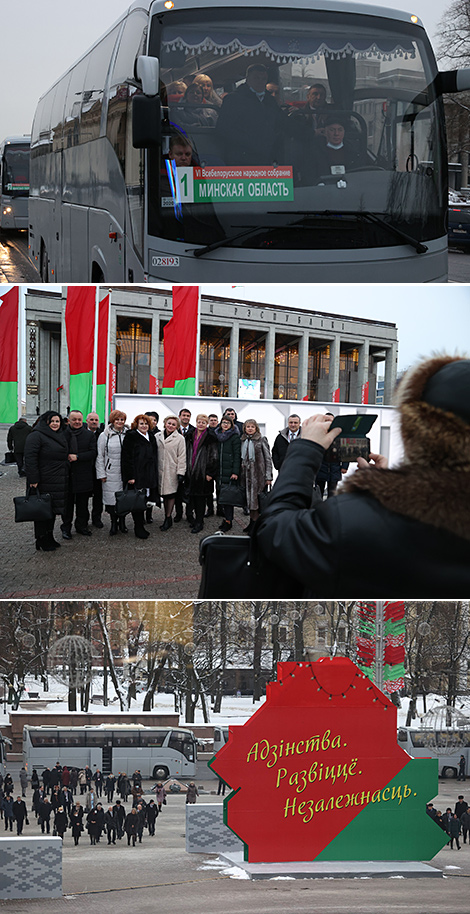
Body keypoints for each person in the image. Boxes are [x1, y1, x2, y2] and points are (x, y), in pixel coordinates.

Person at [255, 355, 470, 597]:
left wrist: (305, 450)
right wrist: (385, 488)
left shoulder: (351, 521)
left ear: (416, 430)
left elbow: (275, 531)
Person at [217, 63, 283, 165]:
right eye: (256, 78)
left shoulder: (269, 101)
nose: (260, 81)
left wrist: (311, 132)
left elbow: (282, 121)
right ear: (247, 79)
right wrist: (250, 142)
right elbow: (223, 128)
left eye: (263, 79)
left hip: (266, 157)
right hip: (240, 158)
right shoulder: (234, 99)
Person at [24, 410, 69, 551]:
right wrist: (33, 479)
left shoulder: (59, 435)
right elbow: (30, 459)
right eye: (52, 421)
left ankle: (49, 537)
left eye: (57, 421)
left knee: (51, 511)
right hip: (42, 480)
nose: (55, 424)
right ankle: (41, 539)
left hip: (57, 480)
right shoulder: (36, 435)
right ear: (46, 422)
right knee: (41, 511)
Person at [121, 414, 159, 539]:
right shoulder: (131, 436)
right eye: (141, 423)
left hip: (149, 474)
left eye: (146, 424)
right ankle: (138, 527)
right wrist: (130, 476)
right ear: (136, 425)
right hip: (137, 474)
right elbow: (126, 458)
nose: (144, 426)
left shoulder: (151, 436)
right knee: (137, 500)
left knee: (146, 499)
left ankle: (142, 523)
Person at [61, 409, 97, 538]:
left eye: (79, 420)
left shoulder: (89, 435)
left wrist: (78, 457)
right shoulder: (62, 434)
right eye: (74, 419)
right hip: (67, 476)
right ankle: (66, 528)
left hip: (83, 475)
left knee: (83, 505)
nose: (77, 422)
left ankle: (81, 526)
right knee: (67, 505)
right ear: (68, 420)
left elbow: (93, 453)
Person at [95, 409, 129, 536]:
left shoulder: (128, 434)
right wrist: (101, 474)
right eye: (117, 419)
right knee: (111, 500)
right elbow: (100, 456)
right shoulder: (104, 435)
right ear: (112, 421)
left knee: (124, 499)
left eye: (122, 420)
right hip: (110, 473)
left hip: (124, 473)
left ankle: (122, 523)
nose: (120, 422)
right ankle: (114, 523)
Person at [185, 414, 219, 534]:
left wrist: (210, 472)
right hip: (190, 471)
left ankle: (200, 522)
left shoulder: (211, 436)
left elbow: (214, 456)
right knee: (192, 497)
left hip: (203, 473)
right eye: (199, 422)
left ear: (207, 424)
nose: (201, 424)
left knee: (200, 498)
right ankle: (193, 518)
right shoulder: (190, 435)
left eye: (203, 422)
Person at [240, 419, 273, 535]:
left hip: (259, 476)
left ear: (256, 428)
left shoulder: (261, 440)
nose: (249, 428)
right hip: (246, 476)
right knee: (250, 503)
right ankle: (252, 523)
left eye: (252, 427)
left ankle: (257, 526)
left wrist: (268, 477)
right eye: (247, 426)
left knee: (257, 503)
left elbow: (268, 459)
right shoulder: (243, 440)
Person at [156, 415, 187, 531]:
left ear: (177, 427)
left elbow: (182, 457)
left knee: (170, 495)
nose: (171, 426)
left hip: (171, 471)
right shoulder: (157, 436)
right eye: (169, 423)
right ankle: (165, 516)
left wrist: (181, 473)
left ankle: (168, 517)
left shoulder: (180, 439)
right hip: (159, 470)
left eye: (174, 424)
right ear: (165, 423)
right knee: (162, 495)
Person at [214, 415, 241, 532]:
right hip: (218, 471)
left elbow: (237, 456)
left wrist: (235, 471)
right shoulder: (216, 435)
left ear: (231, 425)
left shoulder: (234, 437)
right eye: (223, 422)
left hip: (229, 471)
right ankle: (225, 518)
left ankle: (228, 520)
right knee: (221, 496)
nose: (225, 425)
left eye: (228, 423)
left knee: (228, 498)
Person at [86, 412, 104, 528]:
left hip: (98, 470)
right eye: (91, 419)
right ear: (87, 421)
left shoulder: (102, 435)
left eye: (96, 420)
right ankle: (83, 520)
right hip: (85, 470)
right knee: (83, 498)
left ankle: (97, 518)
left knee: (98, 497)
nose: (94, 422)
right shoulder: (81, 433)